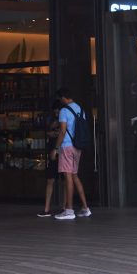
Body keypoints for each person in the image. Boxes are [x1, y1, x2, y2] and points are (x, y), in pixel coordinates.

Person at [41, 90, 91, 221]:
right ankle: (85, 208)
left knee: (68, 177)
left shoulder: (64, 111)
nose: (60, 101)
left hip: (67, 146)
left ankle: (69, 210)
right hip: (77, 147)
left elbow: (63, 131)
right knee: (74, 176)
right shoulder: (80, 109)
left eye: (60, 99)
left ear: (63, 98)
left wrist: (55, 148)